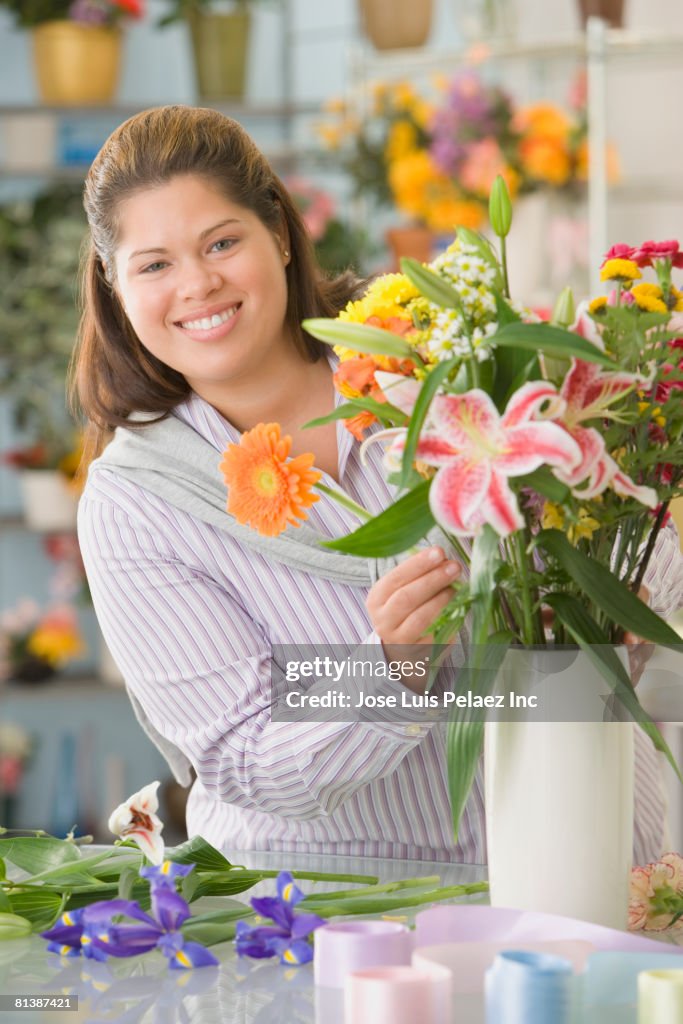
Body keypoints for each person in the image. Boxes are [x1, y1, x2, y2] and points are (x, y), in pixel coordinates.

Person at [74, 105, 681, 865]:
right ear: (116, 285)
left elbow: (629, 515)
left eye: (222, 242)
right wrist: (388, 669)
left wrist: (621, 596)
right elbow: (243, 752)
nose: (197, 284)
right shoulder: (136, 502)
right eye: (154, 264)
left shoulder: (439, 358)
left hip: (591, 860)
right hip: (342, 925)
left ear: (281, 239)